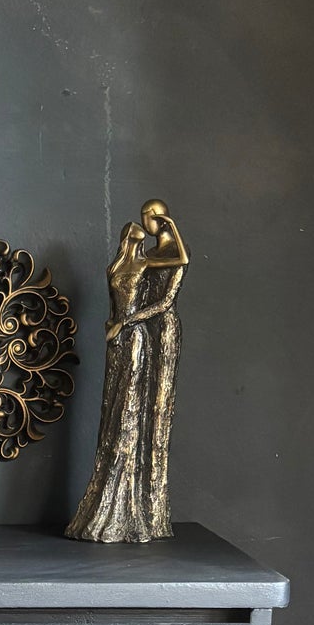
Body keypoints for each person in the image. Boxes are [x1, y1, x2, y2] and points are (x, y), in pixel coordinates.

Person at [65, 199, 187, 542]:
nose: (142, 225)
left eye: (147, 219)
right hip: (132, 331)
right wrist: (118, 323)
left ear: (157, 219)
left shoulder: (169, 255)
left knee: (152, 410)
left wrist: (127, 321)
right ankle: (116, 504)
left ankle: (146, 510)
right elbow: (118, 299)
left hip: (156, 330)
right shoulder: (141, 259)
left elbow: (167, 297)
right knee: (122, 406)